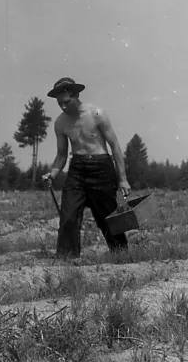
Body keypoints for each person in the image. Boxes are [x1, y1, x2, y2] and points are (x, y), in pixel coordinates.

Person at [42, 77, 132, 258]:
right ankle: (67, 259)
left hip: (101, 168)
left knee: (107, 217)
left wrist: (122, 179)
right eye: (60, 103)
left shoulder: (96, 114)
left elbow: (115, 146)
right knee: (68, 216)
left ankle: (121, 255)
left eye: (67, 102)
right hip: (77, 170)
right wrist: (52, 173)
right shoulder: (60, 123)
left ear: (76, 95)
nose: (63, 107)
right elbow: (61, 154)